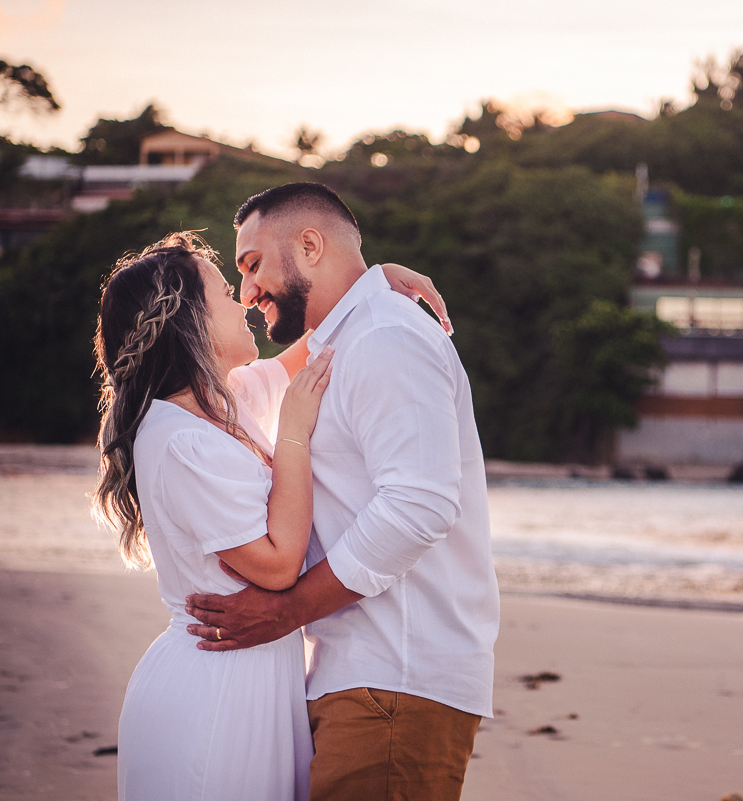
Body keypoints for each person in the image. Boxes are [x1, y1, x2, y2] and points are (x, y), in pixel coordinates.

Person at [92, 231, 447, 801]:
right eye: (226, 296)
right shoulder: (181, 439)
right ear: (192, 324)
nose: (245, 301)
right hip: (216, 688)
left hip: (254, 680)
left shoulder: (219, 407)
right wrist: (293, 434)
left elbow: (309, 354)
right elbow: (279, 566)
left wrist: (371, 284)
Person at [185, 182, 500, 801]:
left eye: (251, 265)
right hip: (364, 675)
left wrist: (287, 611)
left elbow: (420, 506)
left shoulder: (386, 338)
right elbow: (214, 396)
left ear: (309, 246)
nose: (247, 291)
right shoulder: (344, 341)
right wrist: (372, 277)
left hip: (396, 677)